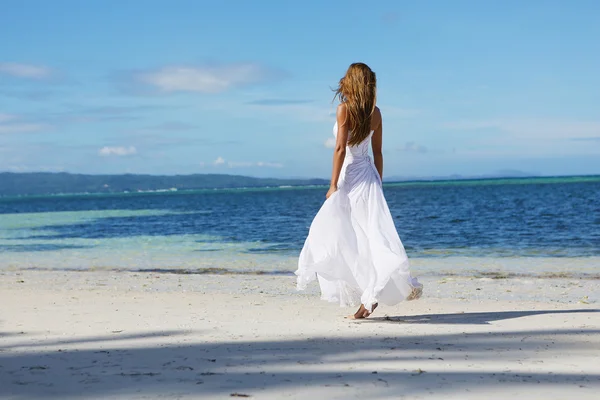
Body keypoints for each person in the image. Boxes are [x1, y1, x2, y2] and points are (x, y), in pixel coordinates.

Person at [295, 62, 423, 319]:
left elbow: (341, 150)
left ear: (351, 82)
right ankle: (370, 294)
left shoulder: (344, 110)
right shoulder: (376, 113)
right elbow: (378, 153)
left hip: (351, 178)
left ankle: (370, 293)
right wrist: (378, 183)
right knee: (369, 236)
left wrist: (332, 185)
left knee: (343, 234)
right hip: (369, 178)